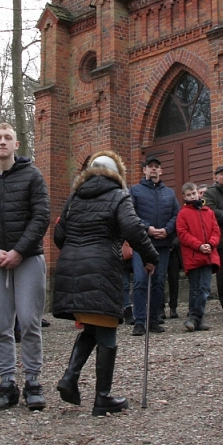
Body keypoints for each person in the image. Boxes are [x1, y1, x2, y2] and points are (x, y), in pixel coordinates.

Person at [53, 152, 158, 416]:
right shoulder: (118, 195)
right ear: (116, 174)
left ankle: (69, 378)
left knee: (92, 326)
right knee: (107, 329)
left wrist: (76, 251)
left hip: (72, 269)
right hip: (100, 268)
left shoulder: (74, 197)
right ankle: (102, 397)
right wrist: (150, 256)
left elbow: (59, 235)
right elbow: (133, 229)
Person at [0, 123, 51, 411]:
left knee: (29, 323)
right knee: (1, 326)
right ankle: (6, 383)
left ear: (16, 145)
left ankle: (32, 381)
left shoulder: (33, 176)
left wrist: (19, 251)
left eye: (8, 138)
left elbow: (41, 216)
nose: (2, 142)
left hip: (28, 259)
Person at [128, 155, 181, 337]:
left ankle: (154, 320)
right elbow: (131, 214)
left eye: (156, 167)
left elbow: (177, 215)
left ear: (160, 170)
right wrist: (147, 228)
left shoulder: (169, 193)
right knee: (141, 282)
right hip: (142, 244)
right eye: (149, 166)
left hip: (163, 244)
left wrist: (167, 230)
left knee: (158, 283)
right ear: (144, 170)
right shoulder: (135, 191)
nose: (153, 169)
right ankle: (140, 321)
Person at [176, 182, 221, 332]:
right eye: (189, 195)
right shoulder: (183, 213)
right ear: (184, 197)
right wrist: (199, 245)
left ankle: (194, 318)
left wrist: (210, 244)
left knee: (205, 288)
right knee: (195, 288)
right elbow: (183, 234)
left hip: (208, 255)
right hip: (194, 256)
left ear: (198, 193)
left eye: (194, 193)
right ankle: (196, 318)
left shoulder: (208, 211)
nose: (192, 196)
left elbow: (216, 230)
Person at [203, 165, 223, 322]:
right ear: (216, 177)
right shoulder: (210, 193)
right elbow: (210, 212)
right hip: (221, 242)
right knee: (222, 278)